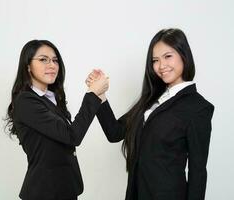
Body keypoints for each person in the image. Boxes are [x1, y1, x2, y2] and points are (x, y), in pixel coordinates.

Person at [86, 28, 214, 200]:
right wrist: (99, 95)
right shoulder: (150, 100)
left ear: (184, 55)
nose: (161, 66)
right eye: (155, 60)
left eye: (168, 56)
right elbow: (114, 132)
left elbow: (197, 171)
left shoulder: (198, 108)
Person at [5, 39, 108, 200]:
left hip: (65, 189)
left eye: (55, 60)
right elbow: (72, 136)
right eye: (43, 59)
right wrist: (93, 94)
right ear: (28, 66)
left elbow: (68, 135)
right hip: (44, 192)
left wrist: (98, 94)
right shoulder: (26, 101)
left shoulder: (52, 98)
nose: (52, 65)